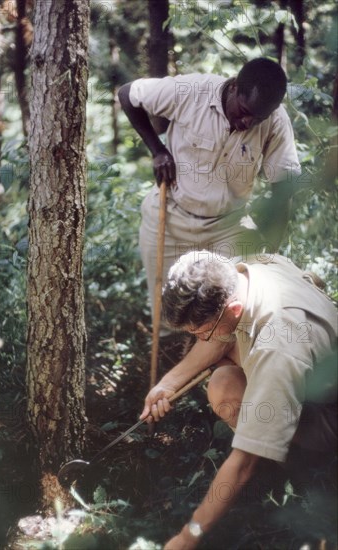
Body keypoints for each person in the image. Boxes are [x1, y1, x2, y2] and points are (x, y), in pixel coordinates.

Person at [139, 250, 337, 550]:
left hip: (328, 416)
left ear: (232, 309)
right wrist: (168, 384)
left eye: (200, 333)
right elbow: (220, 337)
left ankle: (298, 476)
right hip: (309, 372)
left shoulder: (278, 345)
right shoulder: (244, 273)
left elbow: (242, 462)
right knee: (223, 368)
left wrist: (187, 537)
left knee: (224, 388)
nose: (198, 340)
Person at [118, 58, 301, 324]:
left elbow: (283, 190)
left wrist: (270, 254)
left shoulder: (275, 121)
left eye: (258, 117)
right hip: (171, 215)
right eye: (244, 110)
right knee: (170, 315)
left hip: (228, 224)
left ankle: (216, 362)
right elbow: (127, 94)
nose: (248, 122)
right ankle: (172, 360)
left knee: (233, 314)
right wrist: (157, 150)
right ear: (235, 87)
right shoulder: (191, 91)